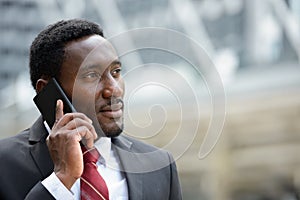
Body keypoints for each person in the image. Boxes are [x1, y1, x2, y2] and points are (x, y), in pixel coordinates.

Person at [0, 19, 182, 200]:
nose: (114, 90)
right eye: (91, 75)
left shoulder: (159, 165)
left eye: (116, 72)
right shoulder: (5, 164)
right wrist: (61, 179)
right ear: (47, 90)